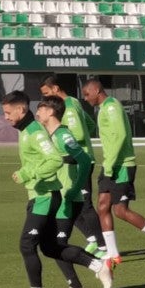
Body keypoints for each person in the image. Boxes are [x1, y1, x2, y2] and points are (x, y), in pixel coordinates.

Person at [1, 91, 111, 288]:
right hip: (41, 195)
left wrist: (27, 174)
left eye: (7, 112)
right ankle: (98, 266)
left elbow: (54, 160)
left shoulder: (34, 132)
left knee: (27, 244)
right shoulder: (25, 130)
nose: (5, 117)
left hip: (46, 197)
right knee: (51, 247)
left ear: (21, 110)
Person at [81, 79, 145, 265]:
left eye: (87, 94)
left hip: (121, 165)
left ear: (97, 90)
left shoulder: (112, 106)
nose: (85, 98)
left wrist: (111, 164)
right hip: (110, 164)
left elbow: (121, 135)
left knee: (121, 211)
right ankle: (113, 253)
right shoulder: (104, 108)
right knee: (102, 206)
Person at [35, 97, 110, 288]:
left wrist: (75, 188)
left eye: (41, 108)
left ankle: (98, 264)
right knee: (52, 246)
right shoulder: (50, 135)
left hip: (67, 199)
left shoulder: (63, 134)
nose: (37, 111)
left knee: (55, 246)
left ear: (51, 112)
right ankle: (78, 285)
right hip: (58, 198)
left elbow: (84, 159)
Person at [39, 74, 104, 255]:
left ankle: (103, 246)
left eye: (46, 93)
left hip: (79, 160)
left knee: (84, 204)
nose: (45, 98)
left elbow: (80, 133)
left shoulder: (68, 106)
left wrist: (63, 138)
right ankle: (93, 240)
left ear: (56, 89)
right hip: (74, 161)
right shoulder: (74, 102)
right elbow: (90, 125)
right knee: (68, 201)